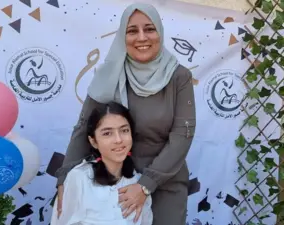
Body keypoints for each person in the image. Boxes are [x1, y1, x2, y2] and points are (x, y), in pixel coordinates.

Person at [55, 2, 196, 225]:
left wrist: (146, 184)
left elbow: (182, 135)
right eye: (132, 31)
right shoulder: (110, 73)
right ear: (122, 36)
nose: (142, 37)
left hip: (165, 179)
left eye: (149, 29)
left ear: (159, 31)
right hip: (116, 179)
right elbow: (84, 128)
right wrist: (64, 178)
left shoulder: (178, 76)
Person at [50, 102, 153, 225]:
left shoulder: (138, 183)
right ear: (93, 141)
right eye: (107, 133)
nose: (118, 139)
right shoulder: (79, 178)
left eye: (124, 130)